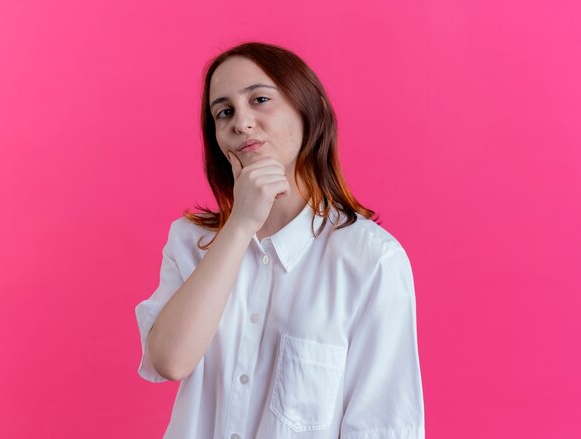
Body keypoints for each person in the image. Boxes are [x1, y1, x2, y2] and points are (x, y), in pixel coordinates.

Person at [135, 41, 425, 438]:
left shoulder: (370, 259)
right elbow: (169, 361)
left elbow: (383, 425)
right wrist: (240, 226)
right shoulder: (190, 241)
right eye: (224, 112)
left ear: (309, 108)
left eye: (260, 99)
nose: (242, 122)